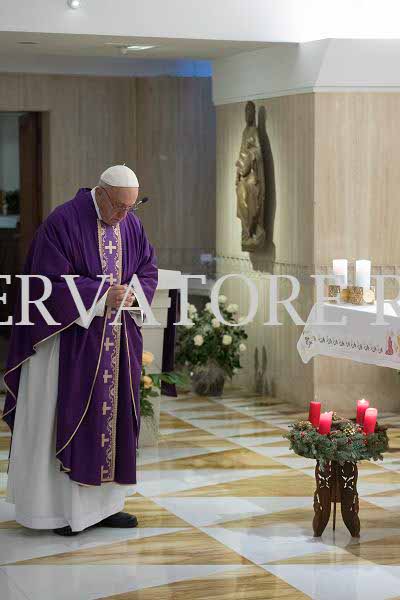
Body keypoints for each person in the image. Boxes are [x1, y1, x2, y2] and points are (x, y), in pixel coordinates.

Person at [2, 165, 158, 536]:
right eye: (119, 206)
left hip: (116, 340)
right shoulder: (63, 222)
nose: (123, 215)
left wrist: (133, 293)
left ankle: (105, 507)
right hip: (67, 343)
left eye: (131, 208)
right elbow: (45, 285)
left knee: (113, 422)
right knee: (65, 415)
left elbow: (147, 268)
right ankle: (59, 512)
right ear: (100, 193)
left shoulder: (130, 224)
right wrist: (102, 295)